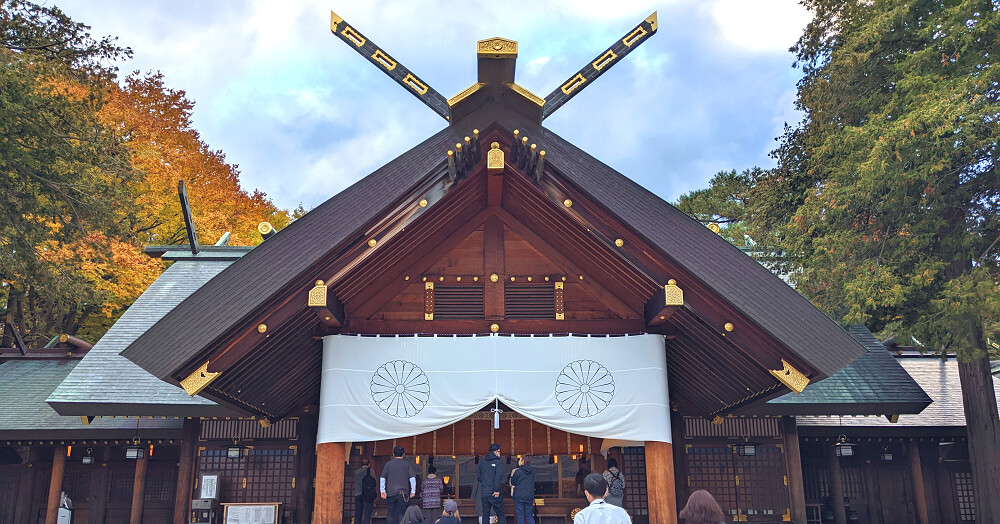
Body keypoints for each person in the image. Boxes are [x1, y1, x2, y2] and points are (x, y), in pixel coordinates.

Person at [381, 446, 417, 524]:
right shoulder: (407, 464)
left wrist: (382, 490)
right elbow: (412, 478)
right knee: (402, 514)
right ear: (403, 454)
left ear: (393, 454)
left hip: (391, 492)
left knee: (390, 513)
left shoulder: (388, 464)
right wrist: (413, 491)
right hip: (403, 493)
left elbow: (382, 477)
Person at [477, 443, 505, 524]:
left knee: (485, 514)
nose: (500, 453)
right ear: (495, 452)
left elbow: (479, 477)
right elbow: (498, 477)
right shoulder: (498, 462)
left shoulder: (482, 463)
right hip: (495, 493)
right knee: (500, 514)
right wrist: (496, 490)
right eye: (499, 451)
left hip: (484, 492)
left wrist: (486, 483)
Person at [510, 454, 536, 524]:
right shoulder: (532, 471)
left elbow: (513, 483)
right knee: (529, 515)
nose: (518, 461)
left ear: (523, 461)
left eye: (520, 460)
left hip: (519, 496)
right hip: (529, 496)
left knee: (520, 516)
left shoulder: (518, 471)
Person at [354, 458, 376, 524]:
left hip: (357, 494)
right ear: (369, 464)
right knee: (367, 514)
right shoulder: (371, 471)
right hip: (367, 494)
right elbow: (374, 481)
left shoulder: (356, 472)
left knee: (358, 514)